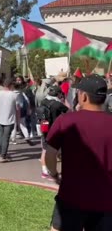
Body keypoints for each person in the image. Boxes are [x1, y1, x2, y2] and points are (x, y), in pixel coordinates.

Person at [45, 74, 112, 231]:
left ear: (83, 96)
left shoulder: (65, 120)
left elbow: (50, 153)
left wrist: (54, 173)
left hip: (71, 197)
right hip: (106, 199)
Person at [37, 86, 69, 180]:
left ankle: (44, 171)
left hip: (44, 128)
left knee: (44, 150)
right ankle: (51, 172)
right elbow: (69, 112)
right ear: (58, 94)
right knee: (53, 152)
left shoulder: (43, 101)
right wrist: (64, 100)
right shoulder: (58, 105)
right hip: (55, 131)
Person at [0, 78, 19, 163]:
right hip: (9, 120)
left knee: (1, 136)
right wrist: (18, 120)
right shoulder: (14, 95)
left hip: (0, 119)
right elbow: (17, 109)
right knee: (6, 138)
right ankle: (3, 156)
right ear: (10, 85)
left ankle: (0, 152)